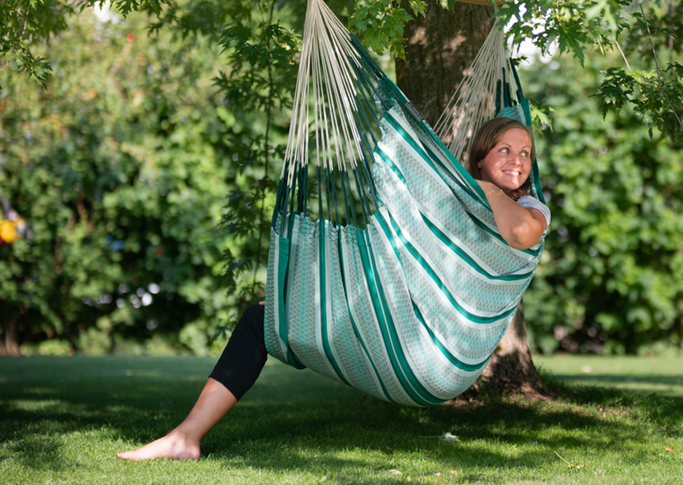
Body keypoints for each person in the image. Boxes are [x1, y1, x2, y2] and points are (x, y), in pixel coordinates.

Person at [117, 117, 549, 461]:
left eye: (525, 152)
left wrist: (487, 186)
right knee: (262, 320)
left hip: (442, 351)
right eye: (504, 150)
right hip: (402, 325)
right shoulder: (459, 200)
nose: (517, 160)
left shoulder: (532, 206)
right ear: (480, 157)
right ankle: (185, 439)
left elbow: (519, 234)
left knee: (269, 317)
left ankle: (185, 438)